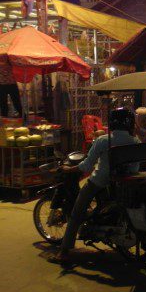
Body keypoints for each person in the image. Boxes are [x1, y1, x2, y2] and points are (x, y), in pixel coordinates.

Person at [51, 108, 139, 263]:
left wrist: (69, 169)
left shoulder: (103, 140)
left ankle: (64, 252)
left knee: (77, 212)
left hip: (99, 182)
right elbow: (135, 167)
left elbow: (86, 166)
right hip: (124, 182)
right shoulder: (135, 141)